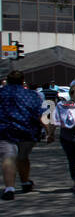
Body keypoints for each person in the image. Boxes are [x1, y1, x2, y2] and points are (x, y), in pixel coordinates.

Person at [0, 69, 46, 201]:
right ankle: (25, 182)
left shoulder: (1, 93)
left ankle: (10, 188)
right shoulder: (32, 95)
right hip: (27, 131)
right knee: (22, 157)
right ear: (22, 81)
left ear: (7, 81)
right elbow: (42, 114)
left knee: (8, 157)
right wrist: (49, 130)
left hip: (5, 131)